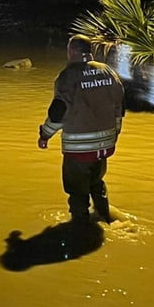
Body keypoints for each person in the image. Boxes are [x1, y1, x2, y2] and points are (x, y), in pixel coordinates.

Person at [37, 35, 124, 226]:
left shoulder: (68, 77)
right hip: (105, 146)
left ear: (73, 51)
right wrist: (114, 135)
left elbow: (59, 112)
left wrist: (45, 135)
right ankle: (105, 218)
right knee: (96, 183)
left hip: (79, 150)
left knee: (77, 192)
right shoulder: (108, 72)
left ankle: (80, 229)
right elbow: (119, 107)